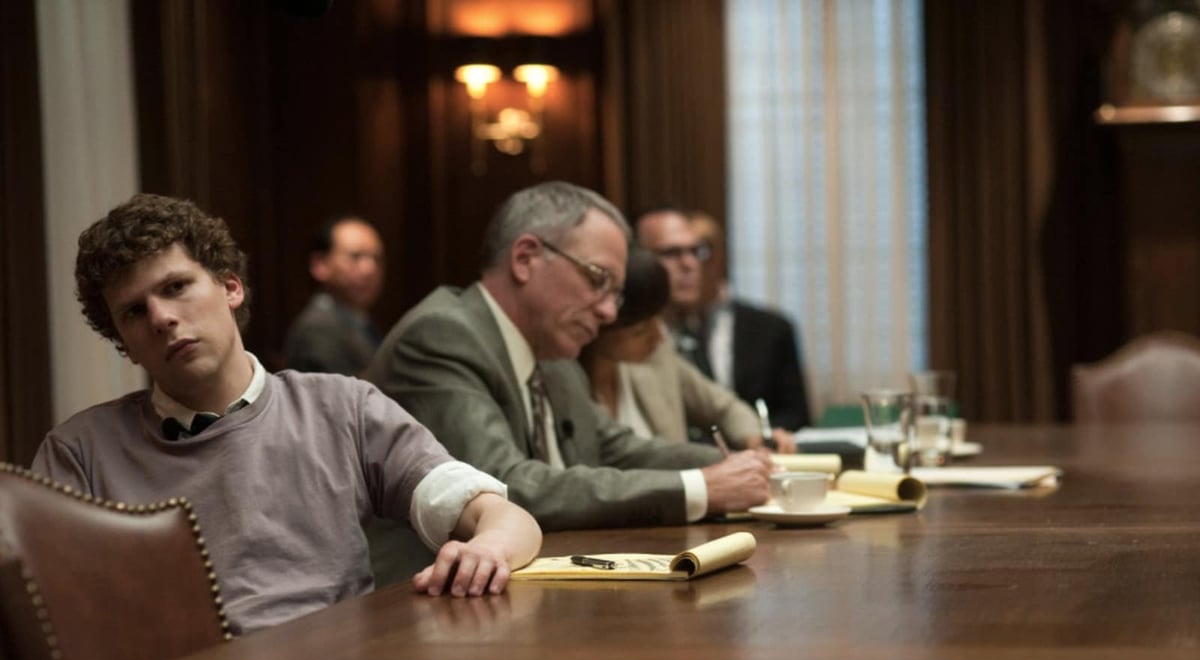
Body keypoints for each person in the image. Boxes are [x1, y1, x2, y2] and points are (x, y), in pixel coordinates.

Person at [31, 194, 541, 636]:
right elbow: (47, 619)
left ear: (230, 288)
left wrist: (489, 546)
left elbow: (502, 515)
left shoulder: (341, 408)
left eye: (176, 287)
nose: (162, 318)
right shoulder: (80, 451)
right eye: (134, 312)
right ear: (125, 343)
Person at [364, 181, 774, 531]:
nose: (610, 312)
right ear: (525, 259)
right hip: (415, 600)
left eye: (615, 293)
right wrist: (700, 487)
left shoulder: (552, 350)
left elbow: (616, 448)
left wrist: (744, 465)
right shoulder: (443, 336)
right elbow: (503, 486)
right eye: (598, 279)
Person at [579, 248, 796, 453]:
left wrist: (755, 438)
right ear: (599, 331)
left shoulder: (657, 357)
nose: (659, 337)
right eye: (641, 331)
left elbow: (723, 407)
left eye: (659, 322)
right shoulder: (569, 385)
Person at [636, 207, 811, 431]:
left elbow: (721, 407)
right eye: (672, 253)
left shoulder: (687, 330)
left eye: (698, 252)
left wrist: (755, 438)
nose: (691, 264)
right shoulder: (628, 334)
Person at [284, 215, 385, 375]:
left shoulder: (359, 322)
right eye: (355, 257)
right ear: (320, 264)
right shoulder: (318, 330)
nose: (369, 269)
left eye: (377, 259)